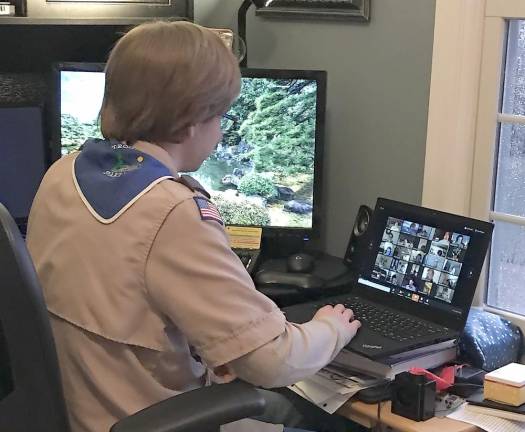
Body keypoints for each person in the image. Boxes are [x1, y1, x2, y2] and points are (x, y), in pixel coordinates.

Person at [26, 22, 361, 432]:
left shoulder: (62, 174)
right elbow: (273, 361)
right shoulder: (172, 212)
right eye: (219, 116)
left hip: (88, 408)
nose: (220, 133)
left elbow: (123, 305)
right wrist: (332, 327)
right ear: (189, 123)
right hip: (154, 418)